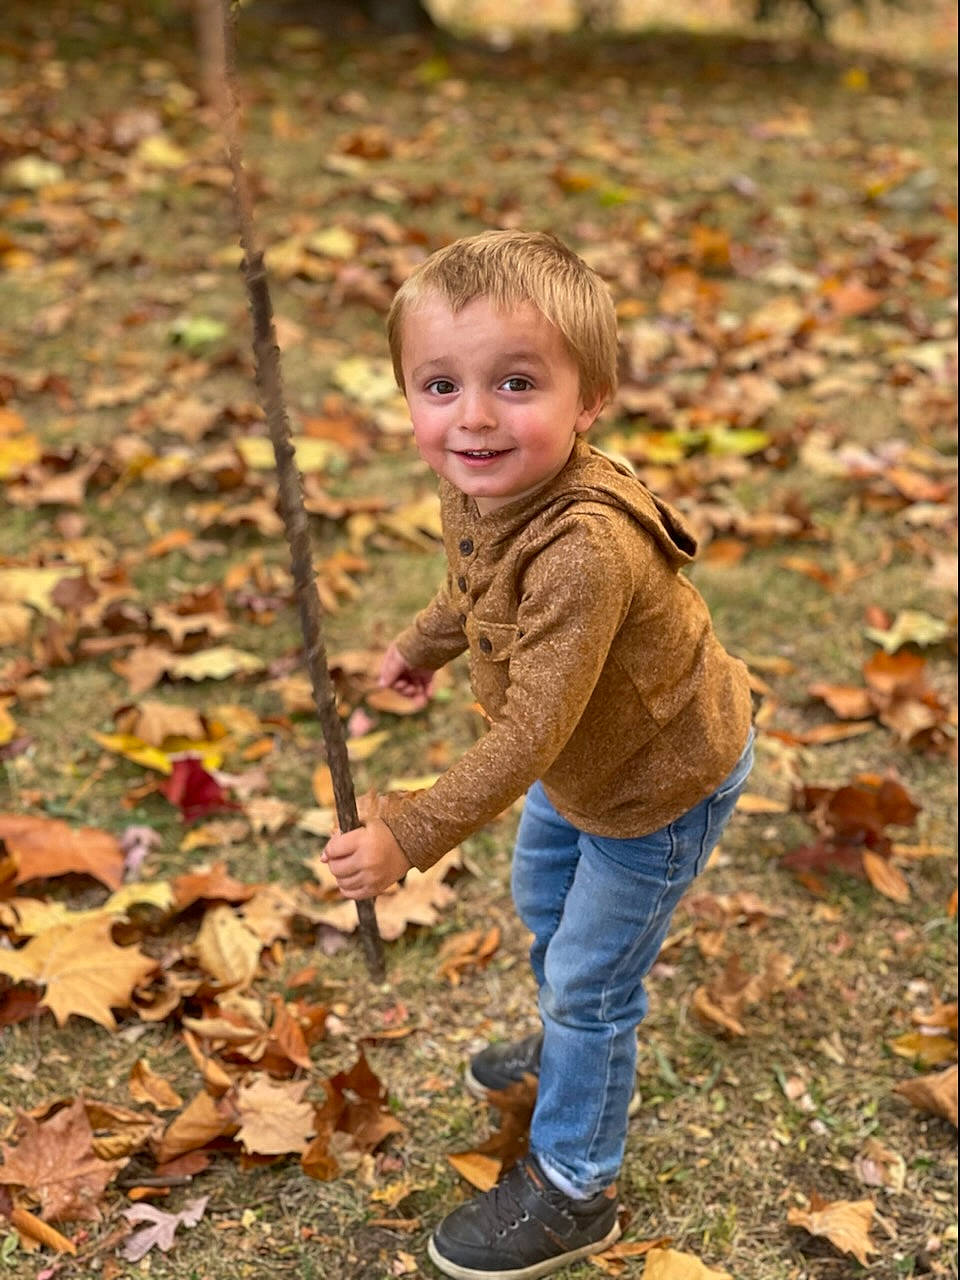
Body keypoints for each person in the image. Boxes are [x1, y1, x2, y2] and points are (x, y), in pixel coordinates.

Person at [322, 229, 754, 1279]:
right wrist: (420, 644)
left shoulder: (584, 551)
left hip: (657, 782)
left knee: (592, 981)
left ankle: (576, 1179)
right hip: (587, 770)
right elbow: (476, 583)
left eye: (516, 382)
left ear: (591, 397)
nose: (472, 416)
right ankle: (575, 1047)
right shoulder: (483, 480)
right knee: (542, 905)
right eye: (439, 384)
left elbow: (529, 732)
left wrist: (406, 833)